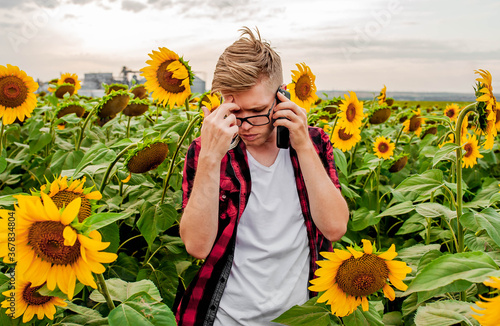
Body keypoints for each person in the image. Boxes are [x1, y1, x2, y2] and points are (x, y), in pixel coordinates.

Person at [175, 26, 349, 326]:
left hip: (298, 315)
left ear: (281, 97)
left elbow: (334, 228)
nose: (244, 126)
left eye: (256, 110)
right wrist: (210, 158)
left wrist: (303, 145)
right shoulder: (207, 151)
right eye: (234, 111)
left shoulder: (314, 142)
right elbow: (197, 247)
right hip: (225, 316)